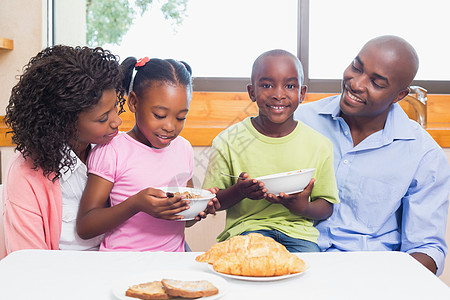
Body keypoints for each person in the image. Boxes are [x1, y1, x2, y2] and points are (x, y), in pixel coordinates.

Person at [294, 35, 450, 275]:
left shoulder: (424, 155)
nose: (356, 83)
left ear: (399, 95)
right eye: (356, 67)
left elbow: (426, 247)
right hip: (294, 265)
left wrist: (387, 283)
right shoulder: (299, 122)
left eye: (377, 83)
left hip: (369, 274)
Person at [76, 57, 219, 252]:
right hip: (123, 260)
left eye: (180, 117)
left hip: (172, 259)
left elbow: (183, 220)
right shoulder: (113, 150)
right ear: (134, 102)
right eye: (159, 115)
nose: (170, 127)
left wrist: (198, 210)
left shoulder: (183, 148)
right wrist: (135, 204)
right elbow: (86, 226)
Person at [202, 49, 339, 252]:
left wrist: (302, 207)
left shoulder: (319, 145)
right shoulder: (227, 141)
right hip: (246, 230)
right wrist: (239, 191)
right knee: (247, 271)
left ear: (301, 93)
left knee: (307, 273)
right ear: (251, 92)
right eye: (267, 85)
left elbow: (326, 207)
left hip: (298, 235)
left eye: (290, 86)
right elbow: (211, 202)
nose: (278, 94)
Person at [2, 45, 125, 255]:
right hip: (58, 279)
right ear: (64, 122)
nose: (117, 121)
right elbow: (29, 262)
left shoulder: (120, 149)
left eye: (115, 108)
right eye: (103, 118)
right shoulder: (25, 174)